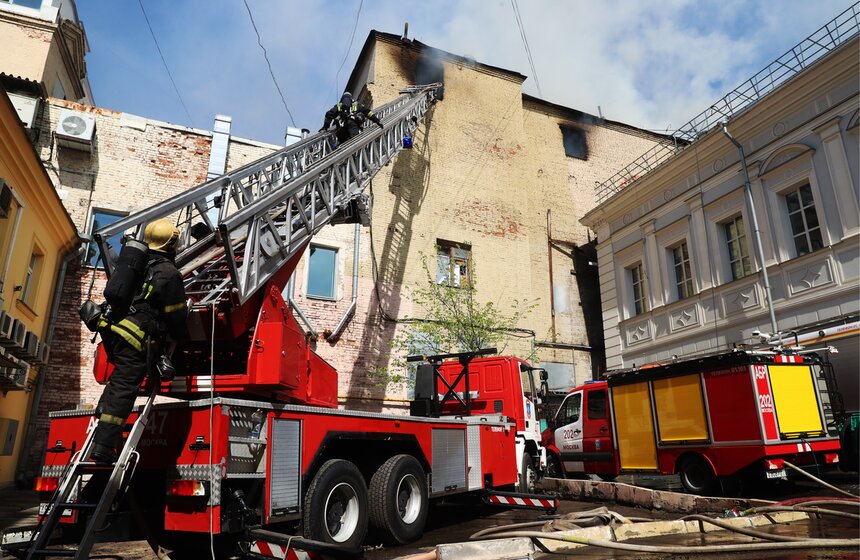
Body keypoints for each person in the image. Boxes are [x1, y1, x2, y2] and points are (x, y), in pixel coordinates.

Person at [90, 219, 188, 464]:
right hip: (133, 336)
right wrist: (180, 334)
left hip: (110, 328)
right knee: (126, 387)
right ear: (172, 243)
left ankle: (103, 411)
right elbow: (175, 314)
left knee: (119, 377)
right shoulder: (168, 273)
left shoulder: (136, 262)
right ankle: (103, 446)